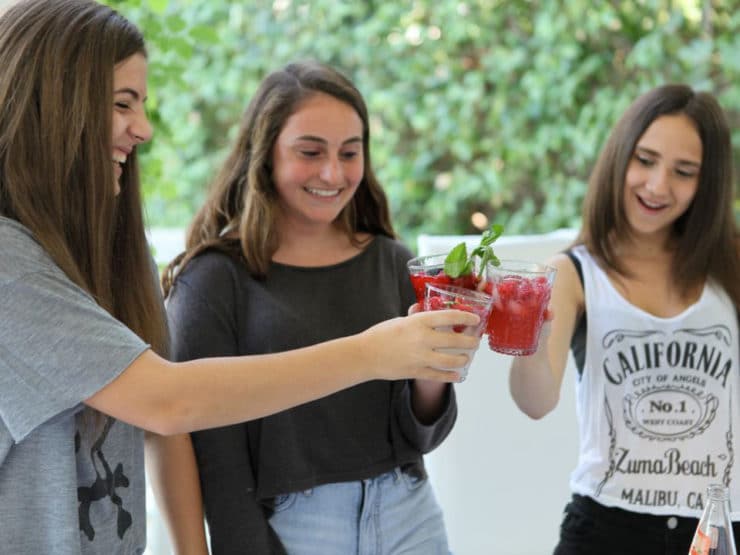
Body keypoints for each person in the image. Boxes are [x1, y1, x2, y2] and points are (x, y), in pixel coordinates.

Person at [0, 2, 482, 553]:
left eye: (350, 152)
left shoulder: (83, 257)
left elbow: (163, 426)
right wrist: (373, 353)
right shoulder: (12, 265)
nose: (144, 129)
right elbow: (171, 405)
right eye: (121, 104)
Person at [154, 61, 460, 555]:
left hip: (410, 514)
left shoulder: (395, 262)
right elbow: (215, 457)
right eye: (310, 152)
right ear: (264, 155)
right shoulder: (213, 280)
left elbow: (421, 435)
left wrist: (435, 371)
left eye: (349, 153)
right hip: (294, 529)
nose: (332, 173)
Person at [508, 84, 740, 554]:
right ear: (619, 158)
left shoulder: (731, 267)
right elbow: (534, 402)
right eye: (645, 160)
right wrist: (534, 333)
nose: (657, 186)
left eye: (684, 171)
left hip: (717, 529)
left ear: (706, 183)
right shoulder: (572, 273)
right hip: (607, 530)